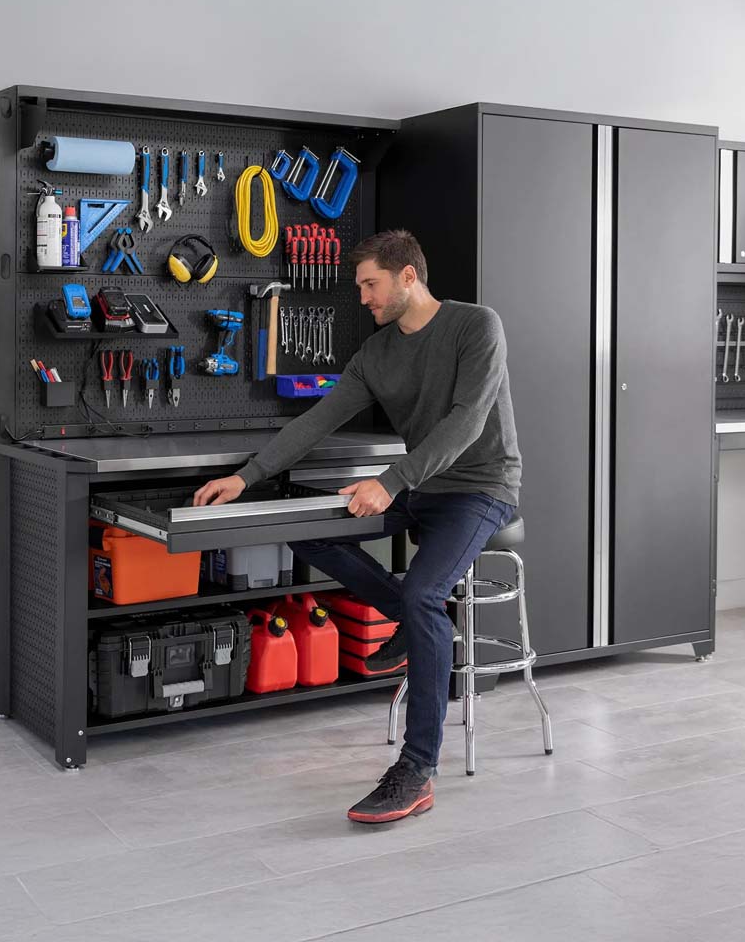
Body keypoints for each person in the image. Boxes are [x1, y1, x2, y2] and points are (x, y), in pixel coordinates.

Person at [192, 229, 521, 823]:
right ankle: (420, 622)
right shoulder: (375, 354)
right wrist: (248, 476)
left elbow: (468, 421)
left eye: (370, 284)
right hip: (419, 486)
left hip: (480, 489)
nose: (363, 297)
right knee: (308, 527)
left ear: (408, 276)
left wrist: (391, 481)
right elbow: (318, 419)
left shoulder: (477, 326)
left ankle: (417, 769)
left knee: (424, 592)